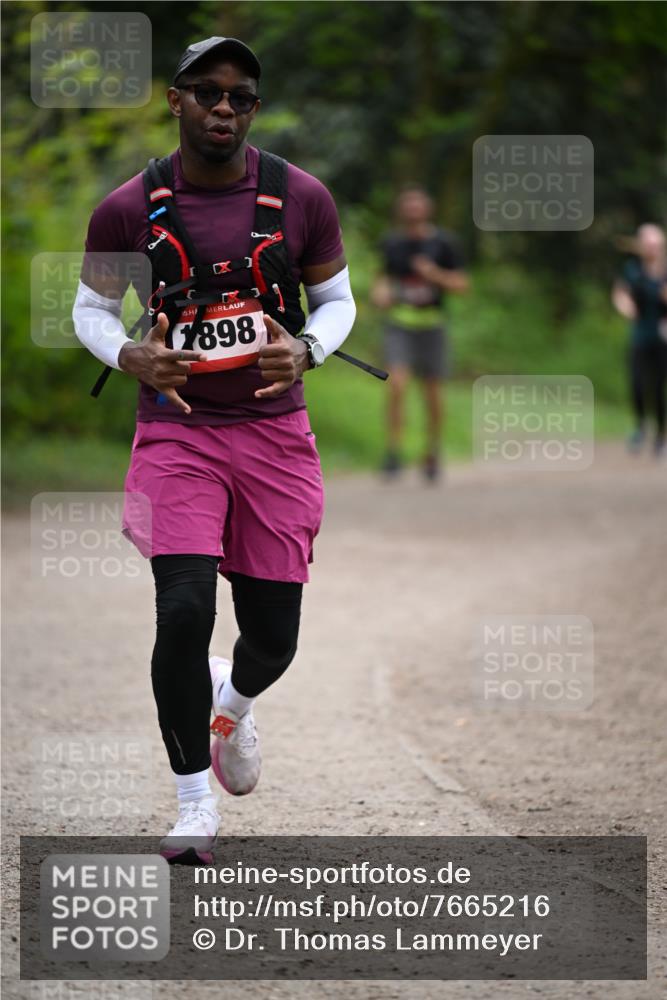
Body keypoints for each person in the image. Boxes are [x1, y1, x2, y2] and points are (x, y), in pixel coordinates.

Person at [73, 36, 356, 863]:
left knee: (273, 638)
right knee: (185, 609)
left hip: (273, 434)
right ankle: (194, 806)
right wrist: (130, 354)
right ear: (176, 100)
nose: (222, 108)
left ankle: (230, 702)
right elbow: (90, 313)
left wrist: (305, 348)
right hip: (176, 432)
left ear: (253, 108)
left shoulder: (300, 196)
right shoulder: (128, 207)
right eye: (206, 92)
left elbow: (335, 301)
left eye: (239, 96)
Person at [371, 186, 468, 481]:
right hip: (400, 324)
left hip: (432, 325)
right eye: (408, 205)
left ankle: (432, 452)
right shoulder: (392, 243)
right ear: (401, 210)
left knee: (433, 393)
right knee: (396, 385)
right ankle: (393, 452)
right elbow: (382, 279)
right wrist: (381, 295)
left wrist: (434, 274)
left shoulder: (445, 243)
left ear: (428, 209)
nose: (413, 210)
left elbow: (462, 285)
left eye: (418, 205)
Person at [612, 223, 667, 458]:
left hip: (663, 338)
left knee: (658, 387)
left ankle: (661, 437)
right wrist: (625, 305)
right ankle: (641, 424)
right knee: (636, 382)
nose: (652, 249)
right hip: (640, 334)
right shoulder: (633, 270)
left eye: (656, 245)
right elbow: (620, 292)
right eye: (648, 244)